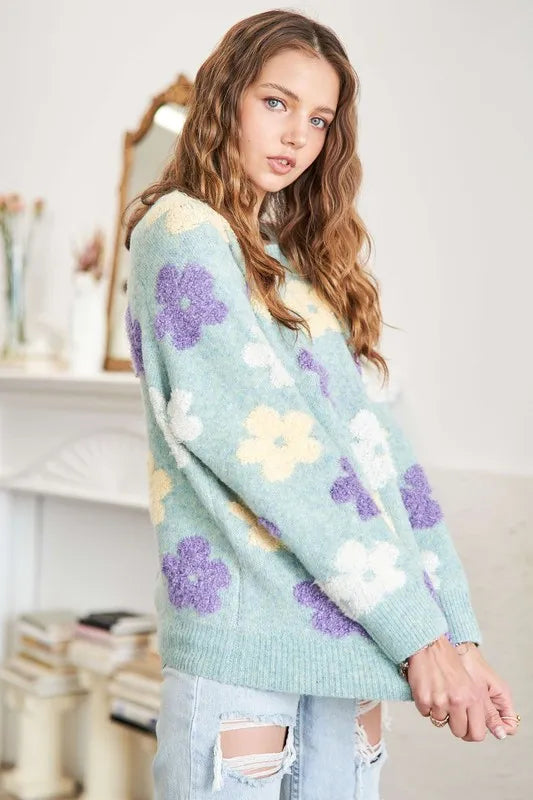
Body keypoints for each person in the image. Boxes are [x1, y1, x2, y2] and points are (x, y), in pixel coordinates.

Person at [122, 9, 519, 799]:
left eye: (318, 118)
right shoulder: (181, 232)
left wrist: (455, 636)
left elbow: (380, 460)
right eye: (275, 102)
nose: (296, 136)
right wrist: (421, 640)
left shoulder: (289, 268)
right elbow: (283, 466)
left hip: (353, 654)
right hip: (247, 654)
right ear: (225, 97)